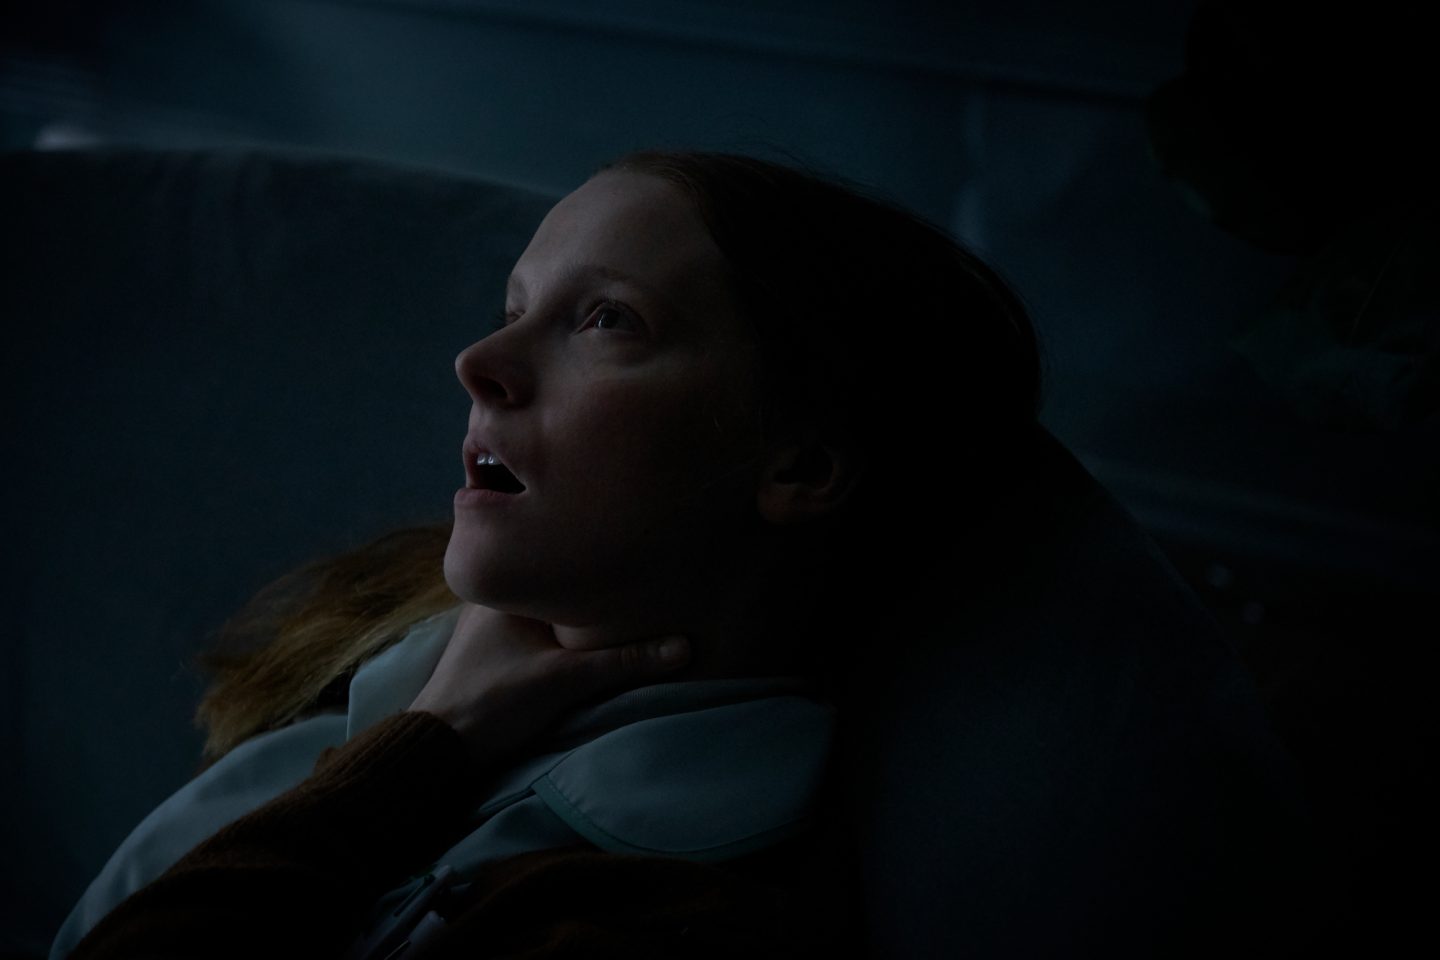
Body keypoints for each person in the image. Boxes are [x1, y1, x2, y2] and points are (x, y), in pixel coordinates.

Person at [53, 150, 1044, 958]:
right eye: (513, 310)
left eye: (606, 320)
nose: (478, 363)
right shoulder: (396, 649)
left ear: (801, 463)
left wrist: (431, 741)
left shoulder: (662, 917)